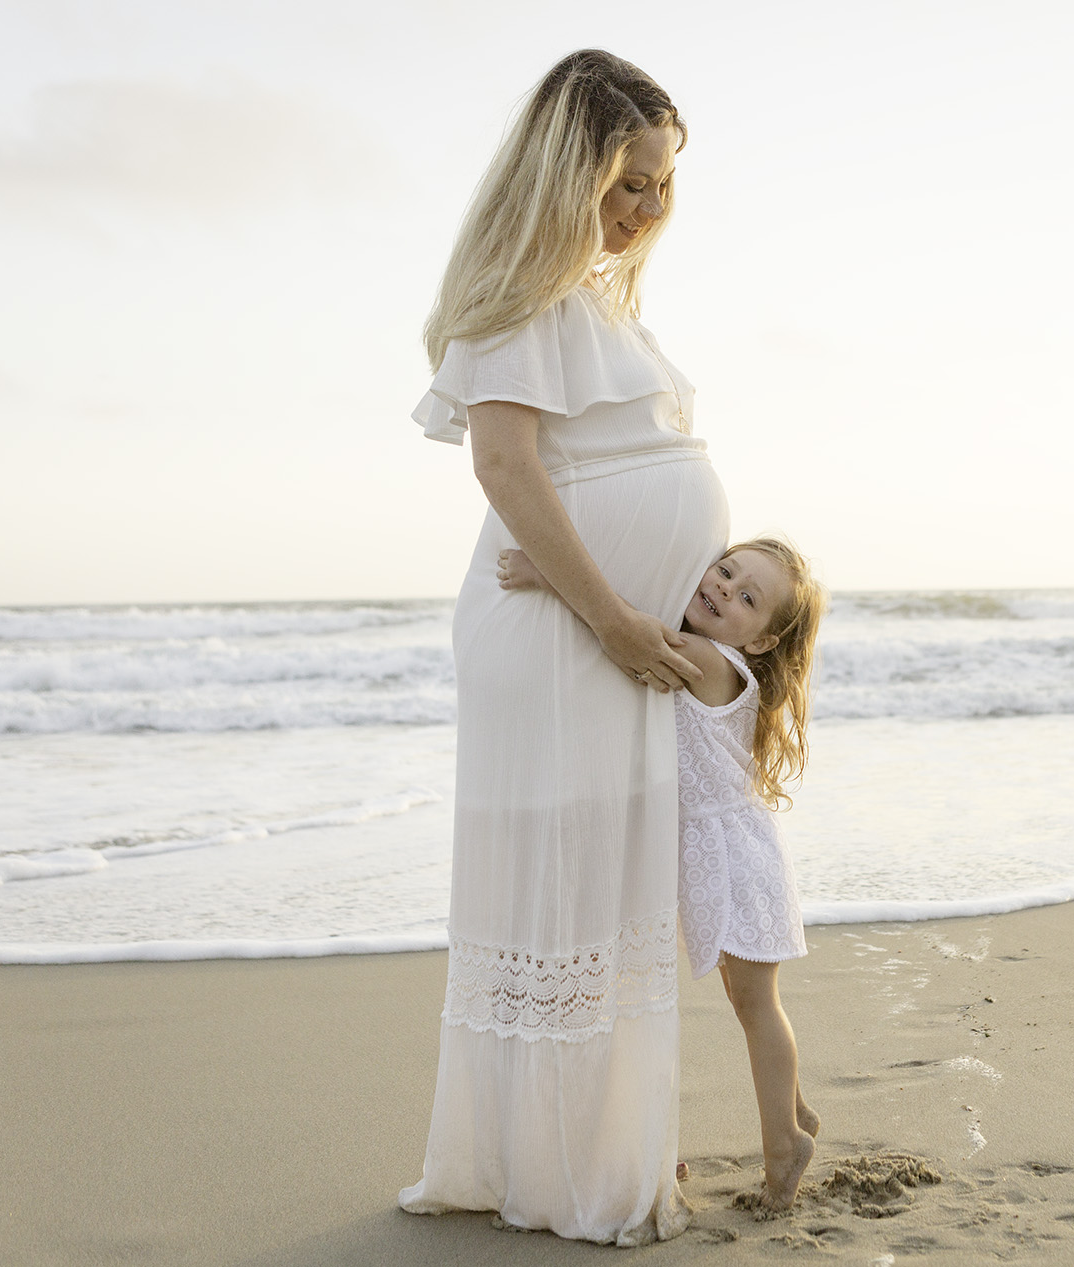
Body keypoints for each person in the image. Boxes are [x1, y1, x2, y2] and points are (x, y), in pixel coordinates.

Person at [397, 50, 724, 1245]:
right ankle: (564, 1172)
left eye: (660, 185)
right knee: (569, 900)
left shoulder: (597, 302)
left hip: (604, 637)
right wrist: (615, 616)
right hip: (562, 641)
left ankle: (598, 1153)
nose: (643, 208)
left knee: (604, 894)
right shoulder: (522, 292)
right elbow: (505, 466)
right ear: (565, 171)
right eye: (625, 181)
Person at [502, 537, 828, 1210]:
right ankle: (793, 1110)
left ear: (763, 641)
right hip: (712, 851)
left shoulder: (710, 659)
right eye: (726, 569)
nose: (722, 589)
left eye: (746, 598)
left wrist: (545, 570)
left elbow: (622, 625)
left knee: (757, 1002)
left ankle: (784, 1145)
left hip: (736, 857)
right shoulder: (711, 647)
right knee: (747, 999)